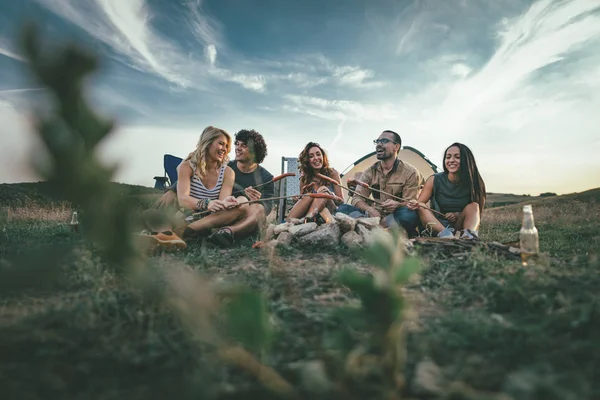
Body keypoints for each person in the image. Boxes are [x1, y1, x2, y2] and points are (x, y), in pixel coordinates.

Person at [153, 129, 275, 247]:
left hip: (240, 216)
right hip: (216, 210)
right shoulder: (227, 166)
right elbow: (201, 175)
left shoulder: (265, 177)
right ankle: (171, 229)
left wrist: (256, 200)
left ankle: (226, 232)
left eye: (244, 146)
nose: (237, 148)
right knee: (170, 196)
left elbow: (267, 207)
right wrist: (173, 189)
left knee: (253, 205)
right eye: (237, 144)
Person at [138, 125, 246, 250]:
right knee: (150, 214)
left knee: (242, 203)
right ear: (207, 143)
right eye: (221, 144)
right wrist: (207, 203)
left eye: (226, 146)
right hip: (188, 216)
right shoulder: (187, 167)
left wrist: (227, 202)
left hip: (211, 219)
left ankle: (178, 234)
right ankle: (167, 236)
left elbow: (222, 203)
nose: (224, 149)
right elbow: (183, 199)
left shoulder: (228, 172)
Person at [336, 130, 424, 236]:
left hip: (394, 216)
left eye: (384, 141)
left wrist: (398, 204)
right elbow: (356, 198)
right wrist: (369, 209)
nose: (378, 145)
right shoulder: (370, 171)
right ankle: (380, 230)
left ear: (396, 147)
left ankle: (370, 228)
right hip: (373, 216)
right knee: (342, 209)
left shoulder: (410, 172)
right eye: (377, 141)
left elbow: (410, 203)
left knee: (409, 214)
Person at [407, 142, 486, 239]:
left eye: (457, 157)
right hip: (437, 226)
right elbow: (419, 204)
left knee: (474, 206)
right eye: (448, 157)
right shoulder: (434, 180)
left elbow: (477, 213)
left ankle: (468, 236)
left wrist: (457, 215)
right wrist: (414, 203)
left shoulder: (475, 182)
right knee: (421, 205)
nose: (451, 160)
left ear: (466, 160)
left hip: (459, 226)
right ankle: (446, 235)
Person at [286, 142, 343, 222]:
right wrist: (298, 199)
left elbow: (341, 201)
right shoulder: (304, 179)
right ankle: (287, 223)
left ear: (323, 156)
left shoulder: (333, 174)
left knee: (323, 191)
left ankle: (307, 221)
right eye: (311, 156)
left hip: (330, 211)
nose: (316, 158)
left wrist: (330, 194)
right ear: (307, 161)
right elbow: (303, 201)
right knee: (308, 195)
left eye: (318, 154)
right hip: (310, 210)